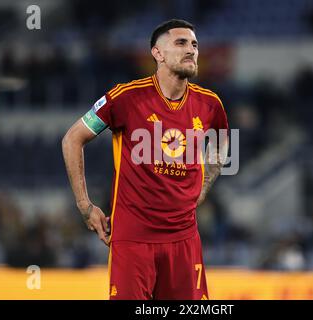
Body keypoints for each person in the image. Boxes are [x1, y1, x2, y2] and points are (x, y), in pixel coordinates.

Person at [62, 19, 228, 300]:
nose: (192, 50)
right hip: (133, 240)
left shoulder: (210, 104)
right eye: (181, 43)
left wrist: (203, 187)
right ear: (157, 53)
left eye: (195, 44)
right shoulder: (125, 97)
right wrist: (84, 205)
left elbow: (223, 145)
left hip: (185, 240)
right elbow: (72, 138)